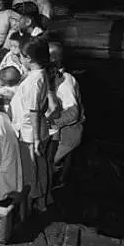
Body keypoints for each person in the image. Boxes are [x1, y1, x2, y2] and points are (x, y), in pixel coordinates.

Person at [9, 37, 51, 211]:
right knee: (39, 169)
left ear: (29, 58)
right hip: (35, 129)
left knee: (31, 171)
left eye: (21, 56)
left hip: (30, 133)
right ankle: (41, 202)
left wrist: (36, 139)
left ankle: (31, 206)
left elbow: (33, 110)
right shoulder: (40, 74)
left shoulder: (34, 81)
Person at [47, 43, 85, 172]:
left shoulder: (65, 82)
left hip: (66, 137)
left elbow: (73, 113)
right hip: (57, 134)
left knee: (46, 166)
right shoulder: (52, 77)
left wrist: (48, 123)